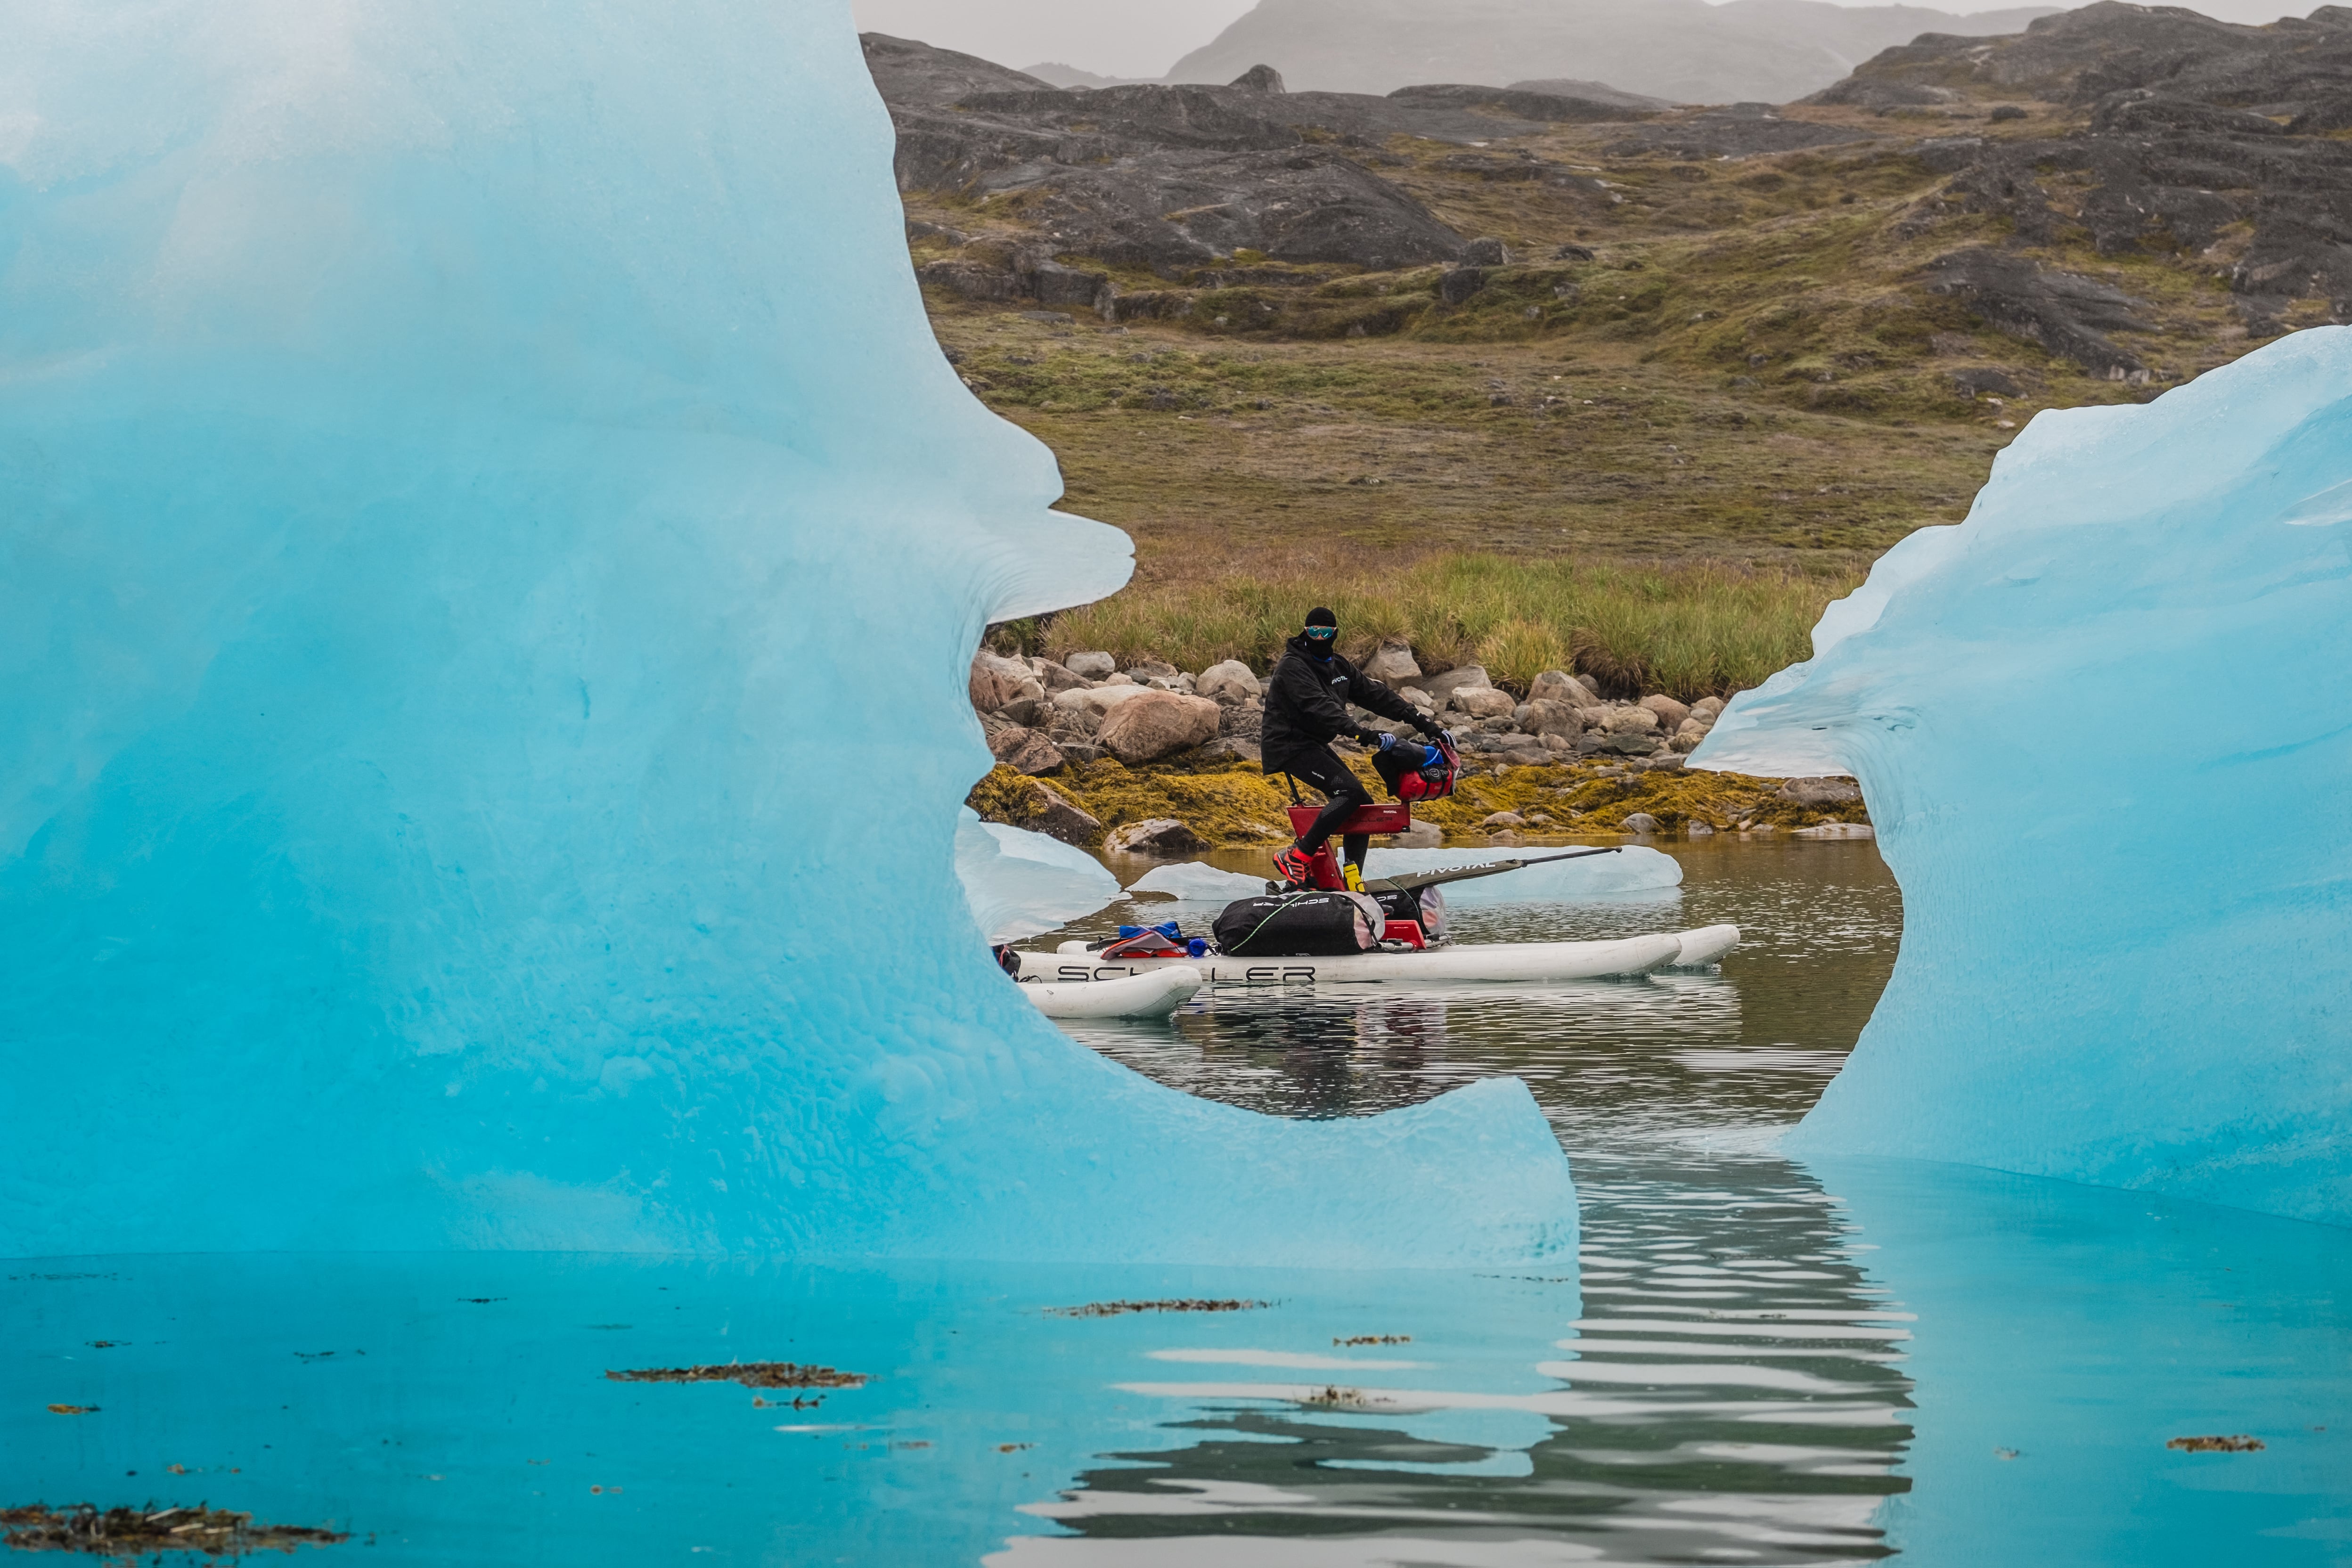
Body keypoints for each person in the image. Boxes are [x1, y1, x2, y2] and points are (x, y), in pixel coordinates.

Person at [1260, 607, 1447, 890]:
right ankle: (1296, 856)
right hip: (1288, 745)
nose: (1319, 637)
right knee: (1348, 793)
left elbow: (1377, 695)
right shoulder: (1293, 666)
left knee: (1362, 803)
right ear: (1305, 631)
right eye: (1314, 632)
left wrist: (1425, 724)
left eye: (1325, 633)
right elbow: (1321, 707)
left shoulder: (1339, 666)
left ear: (1335, 634)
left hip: (1312, 743)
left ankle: (1351, 879)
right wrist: (1364, 734)